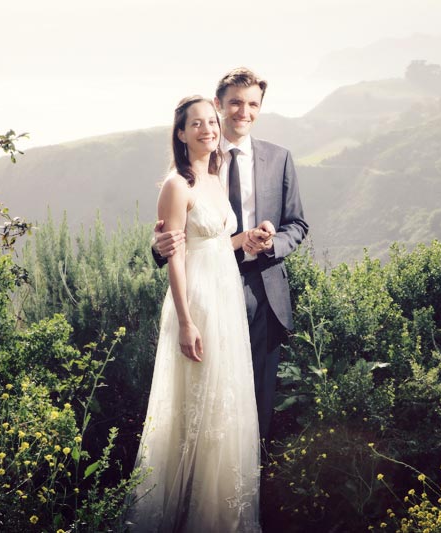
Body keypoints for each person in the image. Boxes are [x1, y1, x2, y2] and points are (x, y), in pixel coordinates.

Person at [153, 68, 309, 443]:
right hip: (209, 290)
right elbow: (176, 234)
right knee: (207, 396)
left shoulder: (280, 158)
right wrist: (158, 248)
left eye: (253, 103)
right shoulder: (200, 157)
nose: (244, 111)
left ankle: (247, 488)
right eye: (236, 102)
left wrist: (272, 243)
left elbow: (298, 225)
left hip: (264, 289)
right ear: (219, 104)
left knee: (257, 397)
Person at [129, 95, 261, 532]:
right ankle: (184, 516)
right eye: (196, 124)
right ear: (181, 133)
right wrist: (186, 322)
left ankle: (220, 515)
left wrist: (250, 240)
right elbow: (176, 256)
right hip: (198, 303)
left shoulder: (215, 177)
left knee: (224, 407)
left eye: (211, 122)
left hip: (226, 303)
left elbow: (218, 242)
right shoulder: (177, 184)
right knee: (194, 407)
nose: (207, 129)